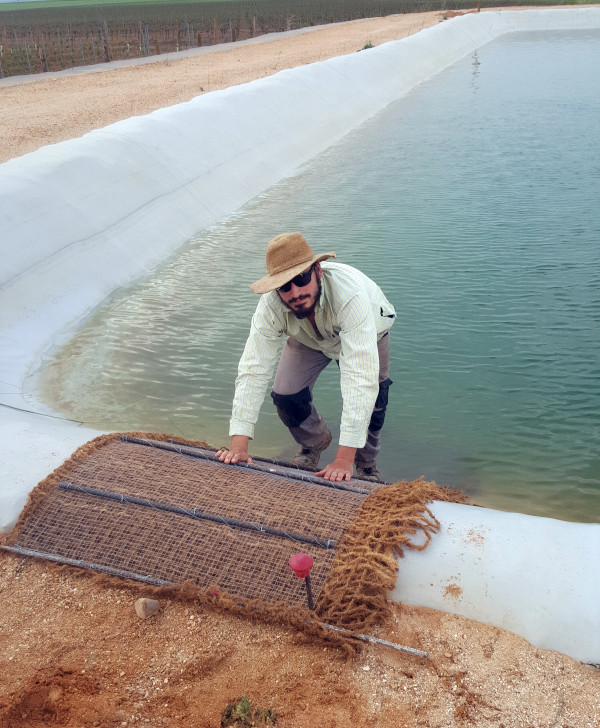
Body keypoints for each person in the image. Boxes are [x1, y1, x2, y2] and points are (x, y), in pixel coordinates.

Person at [216, 232, 395, 482]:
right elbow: (253, 369)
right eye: (284, 286)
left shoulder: (349, 295)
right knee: (285, 395)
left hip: (369, 331)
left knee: (373, 396)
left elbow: (359, 379)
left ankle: (365, 464)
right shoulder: (271, 307)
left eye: (301, 278)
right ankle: (314, 442)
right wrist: (239, 445)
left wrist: (343, 460)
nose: (295, 292)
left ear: (318, 271)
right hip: (308, 337)